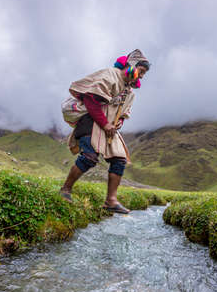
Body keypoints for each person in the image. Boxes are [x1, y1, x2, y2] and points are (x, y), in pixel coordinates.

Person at [60, 49, 150, 214]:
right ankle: (65, 189)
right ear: (131, 66)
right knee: (89, 157)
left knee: (119, 160)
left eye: (144, 73)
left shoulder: (130, 93)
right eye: (141, 71)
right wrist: (105, 124)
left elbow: (123, 114)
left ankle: (111, 201)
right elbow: (90, 100)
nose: (142, 76)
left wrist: (118, 123)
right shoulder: (110, 75)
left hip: (108, 126)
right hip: (90, 121)